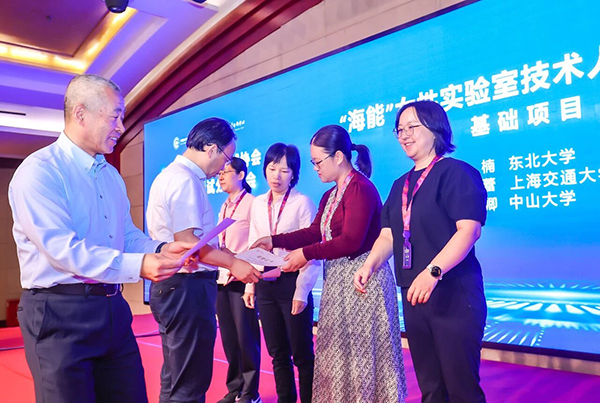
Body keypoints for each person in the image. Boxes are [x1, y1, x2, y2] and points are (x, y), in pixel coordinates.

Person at [8, 74, 194, 403]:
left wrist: (161, 249)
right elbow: (63, 250)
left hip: (112, 309)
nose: (121, 127)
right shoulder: (40, 172)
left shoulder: (110, 175)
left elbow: (125, 235)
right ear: (81, 114)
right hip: (59, 314)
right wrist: (140, 265)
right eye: (115, 116)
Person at [253, 127, 407, 403]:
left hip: (363, 282)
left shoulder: (360, 188)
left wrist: (305, 254)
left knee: (361, 356)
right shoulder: (331, 194)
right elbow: (314, 232)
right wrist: (273, 240)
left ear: (338, 157)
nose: (315, 168)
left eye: (318, 162)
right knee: (339, 355)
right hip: (338, 283)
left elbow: (350, 241)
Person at [354, 100, 488, 403]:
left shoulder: (457, 173)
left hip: (453, 295)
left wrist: (433, 272)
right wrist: (370, 264)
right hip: (414, 296)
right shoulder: (400, 185)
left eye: (412, 127)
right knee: (431, 388)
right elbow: (389, 233)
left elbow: (469, 231)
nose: (404, 135)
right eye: (400, 130)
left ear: (436, 128)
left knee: (461, 389)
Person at [146, 118, 262, 403]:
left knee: (175, 378)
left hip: (174, 286)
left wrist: (227, 256)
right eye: (226, 157)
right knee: (189, 382)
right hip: (187, 288)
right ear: (211, 149)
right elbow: (189, 243)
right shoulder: (184, 180)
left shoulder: (170, 175)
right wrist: (233, 264)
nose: (223, 167)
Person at [245, 143, 321, 403]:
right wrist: (250, 284)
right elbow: (254, 244)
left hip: (293, 283)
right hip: (265, 284)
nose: (276, 175)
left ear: (294, 174)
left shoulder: (303, 203)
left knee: (302, 354)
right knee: (277, 353)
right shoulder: (257, 203)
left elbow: (311, 251)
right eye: (272, 168)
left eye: (284, 170)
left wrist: (301, 291)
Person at [215, 157, 261, 403]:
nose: (220, 176)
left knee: (246, 338)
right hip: (222, 279)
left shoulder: (252, 204)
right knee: (229, 338)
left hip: (243, 279)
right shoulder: (224, 206)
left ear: (241, 175)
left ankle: (251, 392)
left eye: (226, 172)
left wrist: (250, 280)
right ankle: (234, 388)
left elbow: (257, 244)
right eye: (219, 173)